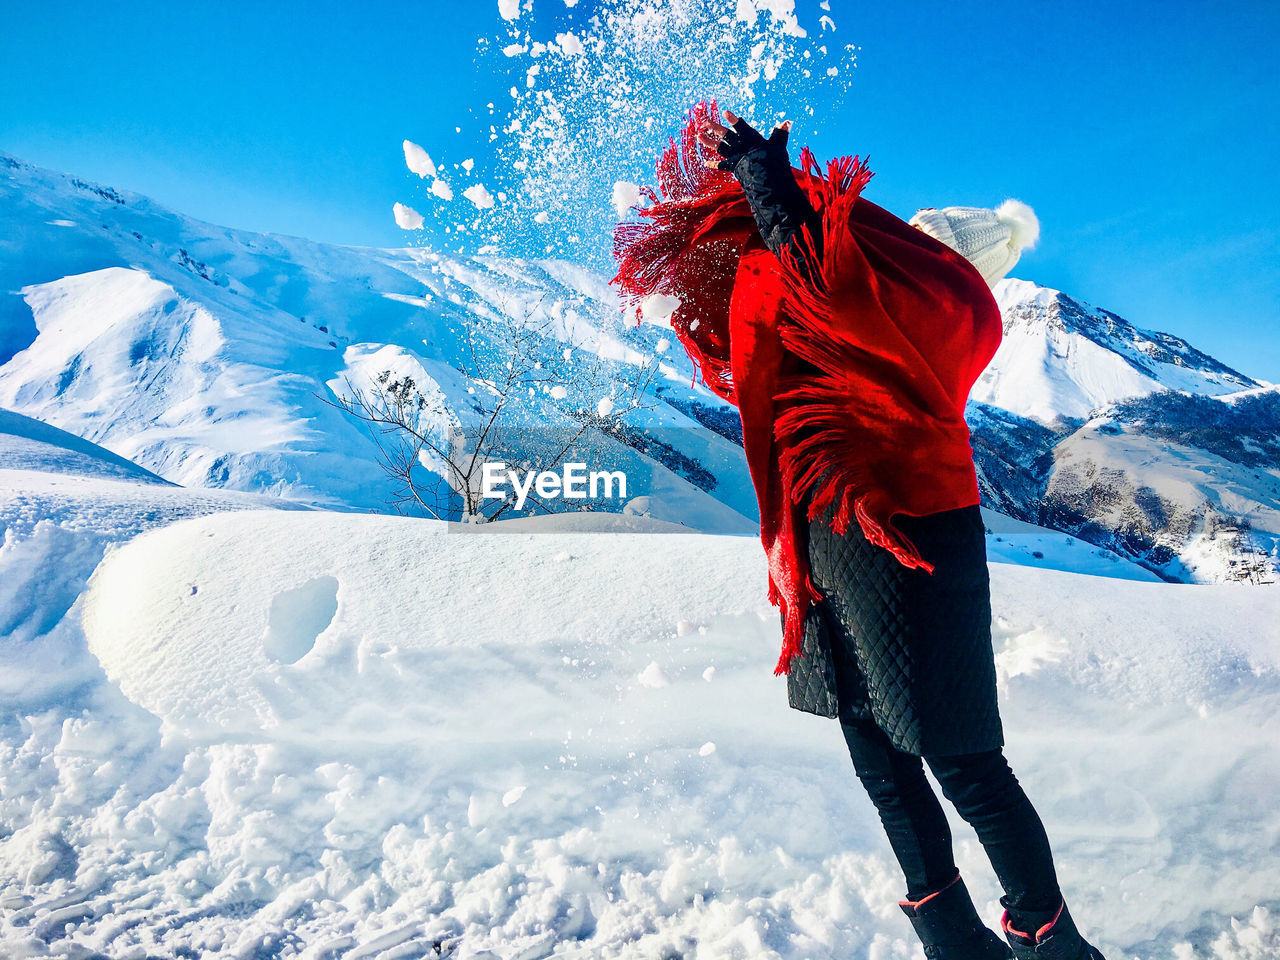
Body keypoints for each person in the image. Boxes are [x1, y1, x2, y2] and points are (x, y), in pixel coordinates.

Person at [612, 103, 1105, 960]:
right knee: (877, 753)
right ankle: (952, 937)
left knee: (963, 761)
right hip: (830, 540)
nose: (882, 241)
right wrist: (697, 284)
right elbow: (788, 323)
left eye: (907, 238)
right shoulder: (881, 305)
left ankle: (1050, 940)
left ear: (943, 260)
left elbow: (829, 281)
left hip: (911, 542)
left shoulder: (947, 307)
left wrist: (769, 192)